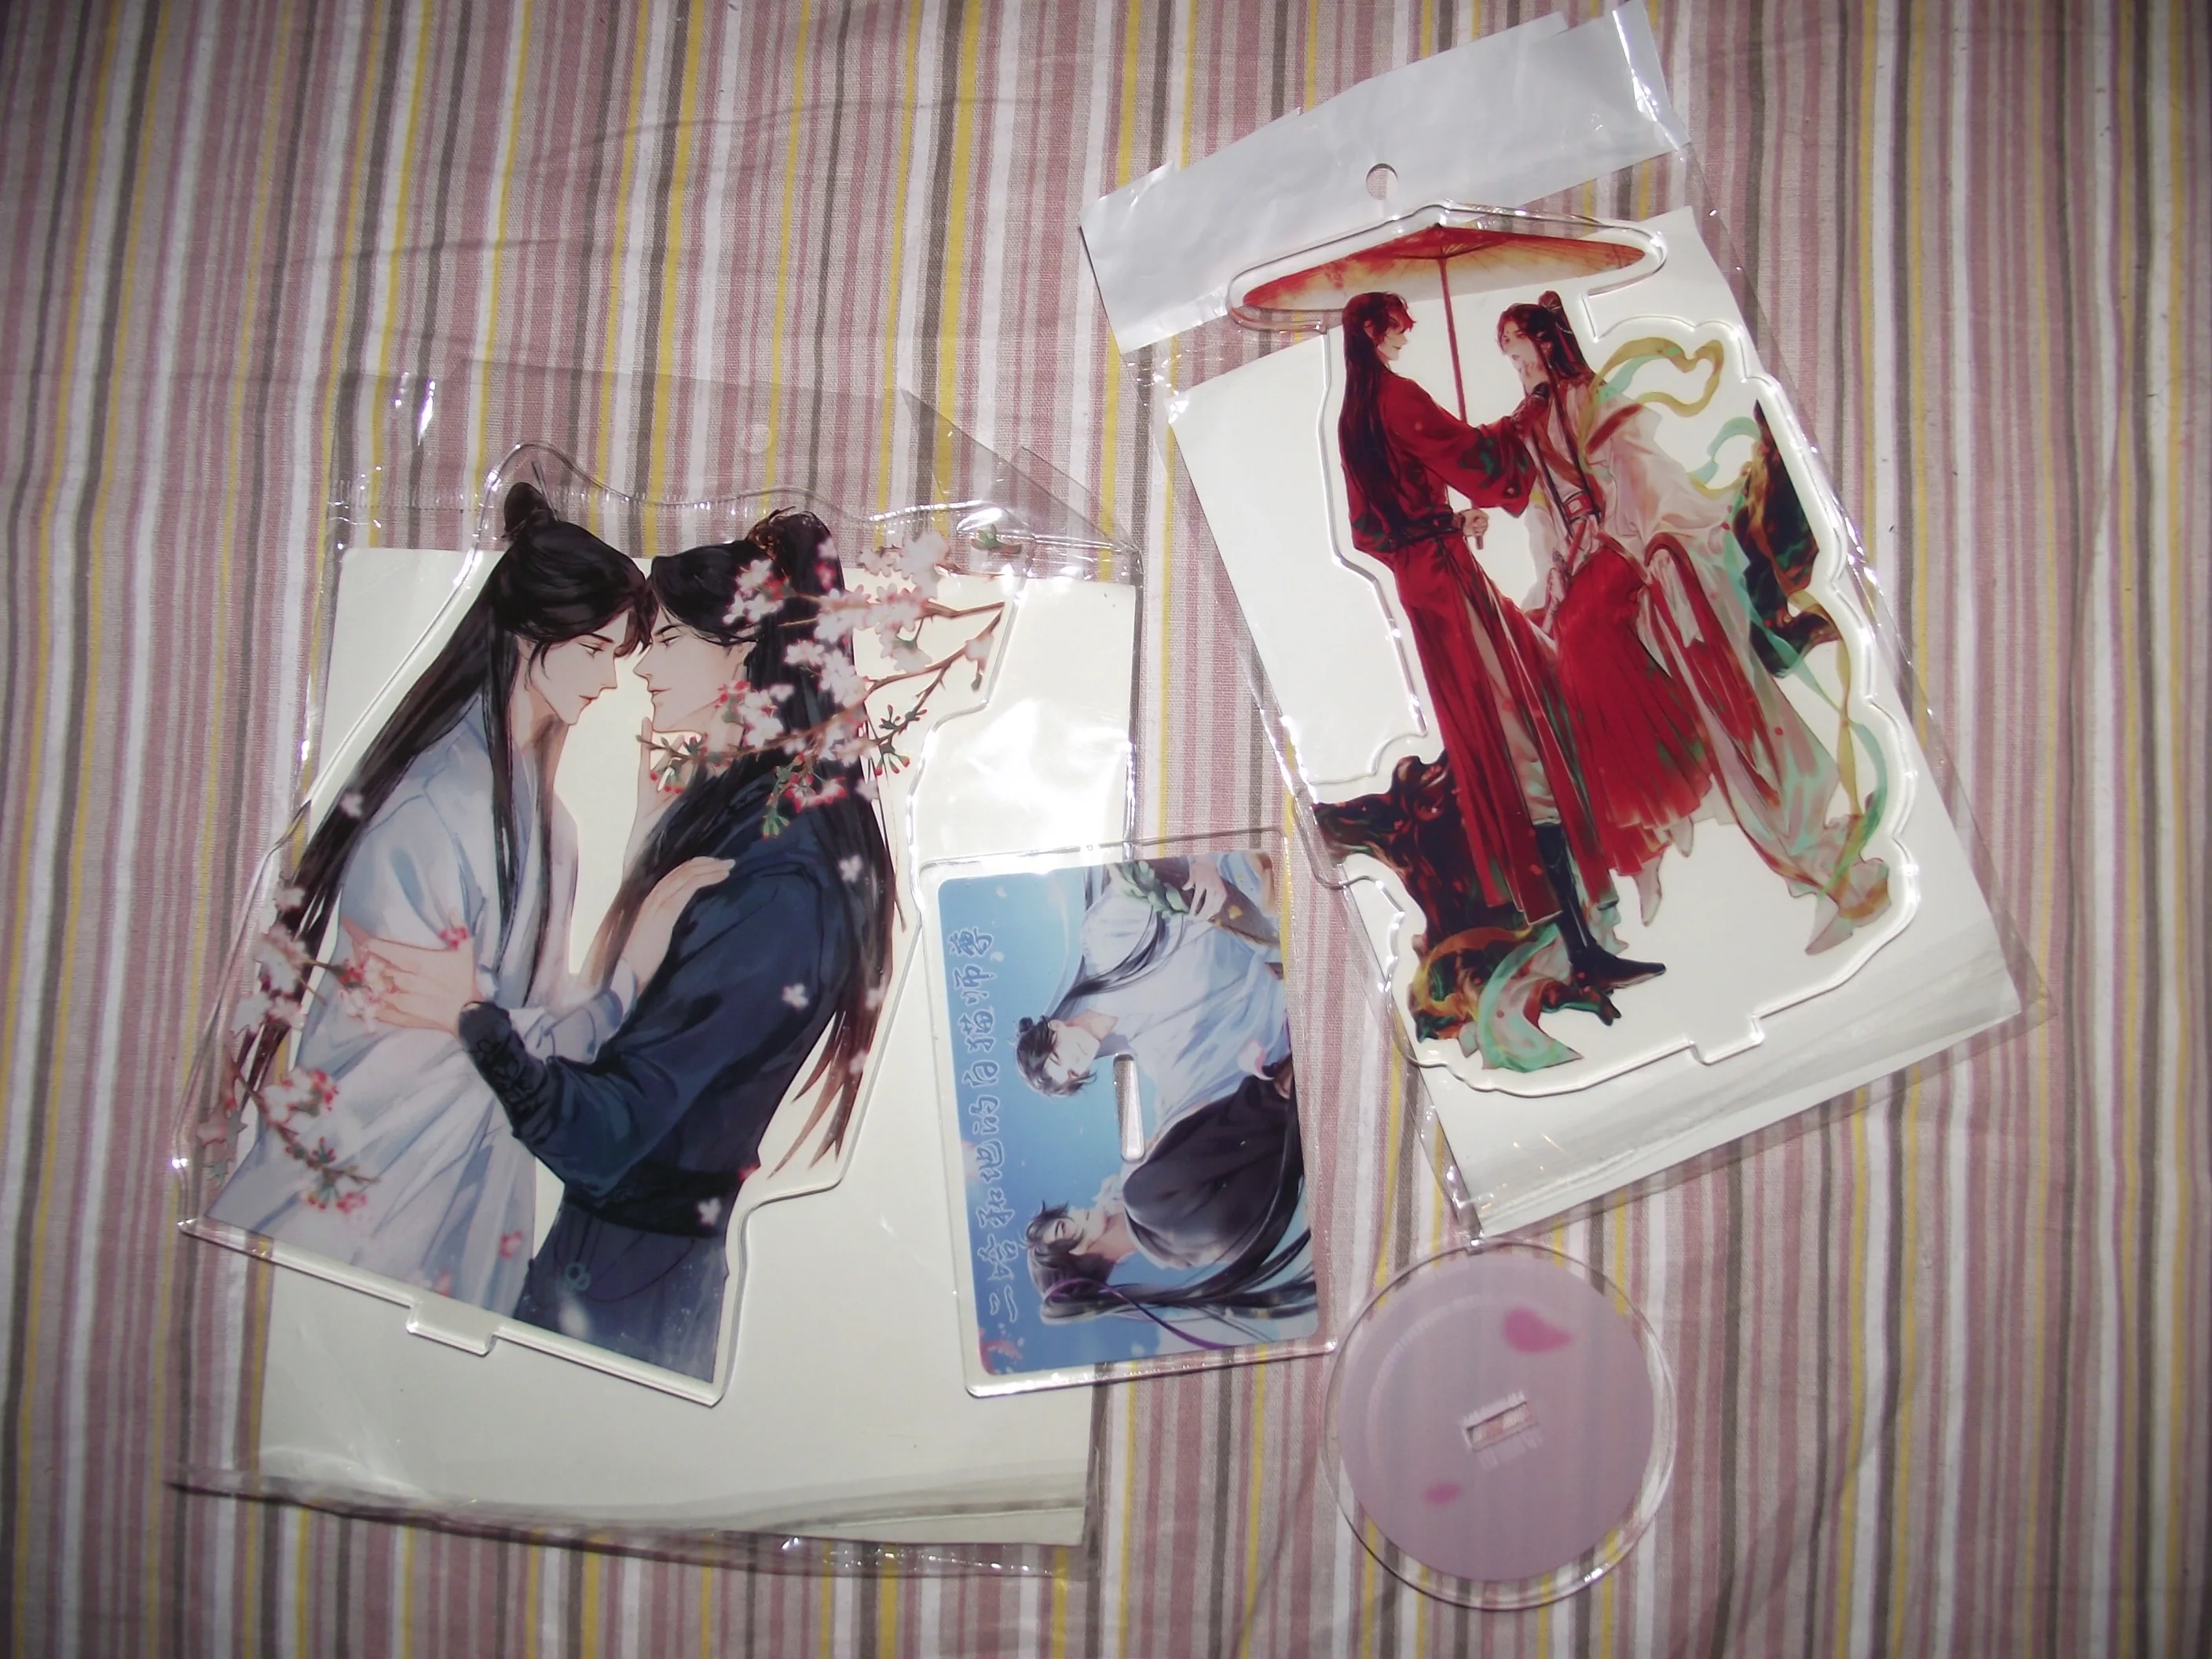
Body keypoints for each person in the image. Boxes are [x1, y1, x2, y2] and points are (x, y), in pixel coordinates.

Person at [378, 509, 895, 1380]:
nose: (640, 668)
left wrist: (475, 1022)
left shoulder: (778, 876)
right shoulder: (745, 822)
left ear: (745, 650)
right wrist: (645, 862)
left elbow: (607, 1132)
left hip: (634, 1281)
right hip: (624, 1258)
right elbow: (635, 1052)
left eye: (667, 640)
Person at [209, 484, 672, 1313]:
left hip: (468, 1189)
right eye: (594, 649)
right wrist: (600, 986)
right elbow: (413, 1047)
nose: (611, 678)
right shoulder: (429, 809)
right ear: (529, 635)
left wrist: (499, 1009)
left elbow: (512, 1027)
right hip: (375, 1181)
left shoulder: (550, 826)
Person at [1493, 294, 1888, 949]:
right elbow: (1546, 524)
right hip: (1588, 569)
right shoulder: (1529, 427)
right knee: (1546, 654)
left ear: (1546, 343)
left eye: (1521, 352)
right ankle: (1638, 838)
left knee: (1673, 687)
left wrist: (1632, 546)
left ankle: (1817, 861)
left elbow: (1640, 482)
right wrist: (1558, 570)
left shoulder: (1588, 398)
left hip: (1634, 553)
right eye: (1510, 360)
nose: (1519, 367)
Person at [1335, 291, 1661, 1019]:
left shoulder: (1352, 415)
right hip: (1450, 590)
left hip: (1427, 585)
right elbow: (1480, 462)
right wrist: (1518, 422)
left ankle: (1577, 946)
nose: (1407, 334)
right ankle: (1579, 951)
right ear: (1375, 329)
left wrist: (1443, 522)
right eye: (1399, 326)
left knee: (1513, 746)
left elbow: (1373, 529)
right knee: (1524, 750)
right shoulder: (1394, 397)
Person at [1023, 1064, 1314, 1340]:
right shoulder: (1142, 1196)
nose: (1075, 1211)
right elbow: (1255, 1109)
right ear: (1078, 1254)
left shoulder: (1180, 1258)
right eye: (1063, 1227)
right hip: (1304, 1089)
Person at [1013, 853, 1287, 1143]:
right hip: (1276, 956)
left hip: (1240, 883)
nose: (1076, 1061)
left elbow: (1142, 868)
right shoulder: (1150, 1046)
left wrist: (1199, 864)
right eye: (1072, 1073)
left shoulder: (1103, 942)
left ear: (1054, 1027)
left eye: (1059, 1055)